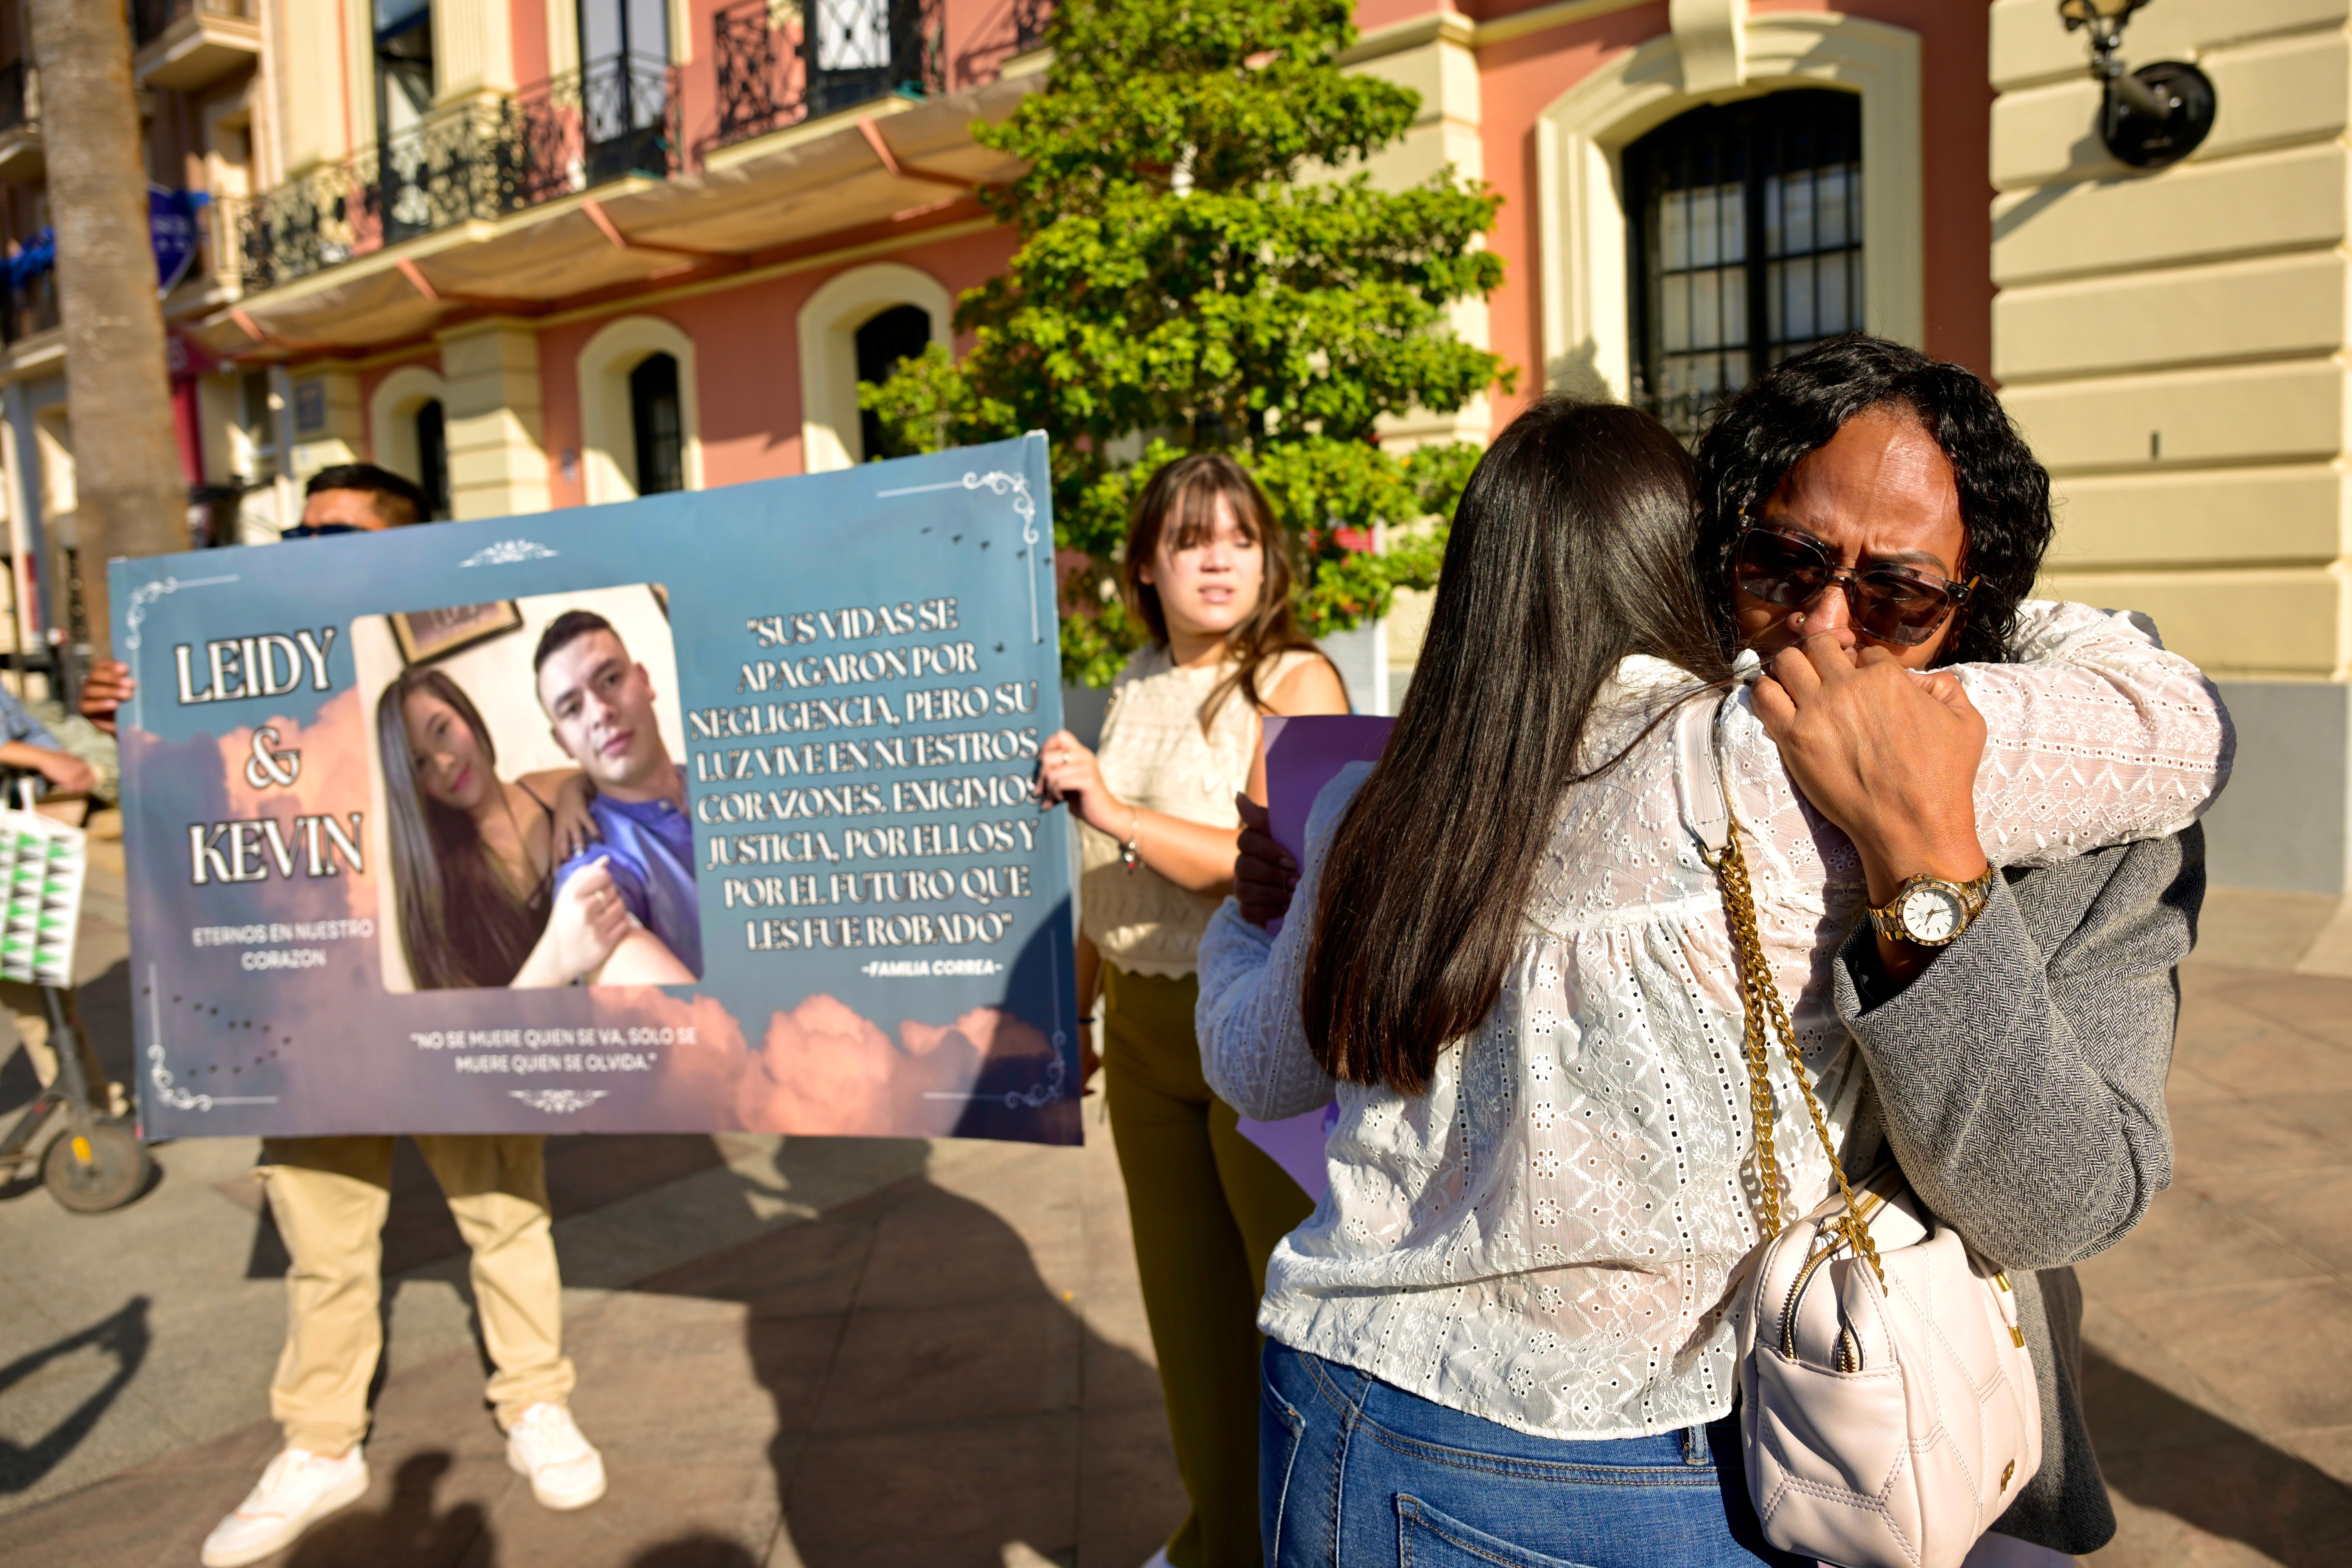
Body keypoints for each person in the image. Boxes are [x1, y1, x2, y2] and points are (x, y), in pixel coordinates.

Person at [1199, 373, 2228, 1566]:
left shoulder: (1370, 807)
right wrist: (2020, 617)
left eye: (1896, 593)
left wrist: (1240, 923)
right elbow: (2180, 724)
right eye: (1780, 565)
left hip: (1328, 1393)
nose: (1827, 631)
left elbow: (1253, 1067)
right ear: (1688, 566)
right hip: (1623, 1448)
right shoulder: (1764, 762)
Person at [74, 462, 618, 1567]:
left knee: (505, 1214)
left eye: (344, 537)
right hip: (312, 1014)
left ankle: (534, 1403)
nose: (313, 551)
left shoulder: (515, 801)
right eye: (303, 533)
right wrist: (138, 712)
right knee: (322, 1238)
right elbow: (193, 799)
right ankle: (321, 1443)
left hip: (452, 1029)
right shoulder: (242, 667)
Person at [1034, 452, 1348, 1568]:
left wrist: (1112, 808)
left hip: (1253, 1036)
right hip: (1140, 1035)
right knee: (1187, 1329)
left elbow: (1265, 865)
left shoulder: (1296, 681)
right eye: (1188, 538)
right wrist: (1072, 1019)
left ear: (1268, 558)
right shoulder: (1128, 681)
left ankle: (1300, 1540)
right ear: (1144, 565)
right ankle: (1218, 1536)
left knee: (1288, 1324)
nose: (1217, 559)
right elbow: (1096, 875)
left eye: (1238, 537)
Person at [376, 664, 631, 990]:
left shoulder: (550, 790)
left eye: (442, 730)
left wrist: (573, 791)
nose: (444, 763)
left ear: (467, 717)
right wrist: (556, 959)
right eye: (420, 764)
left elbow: (617, 784)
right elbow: (473, 1036)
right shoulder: (439, 890)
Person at [534, 609, 699, 984]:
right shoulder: (596, 865)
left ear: (644, 680)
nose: (600, 713)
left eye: (610, 680)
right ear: (563, 742)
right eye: (573, 709)